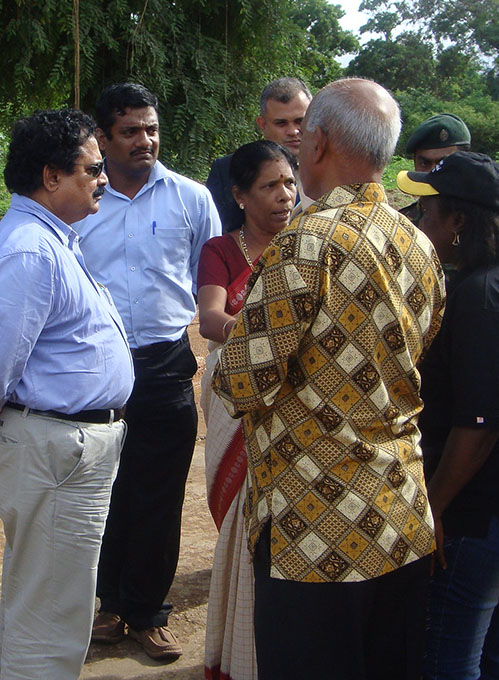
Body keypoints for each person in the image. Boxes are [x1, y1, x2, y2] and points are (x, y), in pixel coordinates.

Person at [214, 78, 446, 680]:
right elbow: (420, 347)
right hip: (398, 512)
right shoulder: (416, 240)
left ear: (316, 144)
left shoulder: (306, 244)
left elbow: (240, 380)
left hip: (314, 529)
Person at [0, 108, 133, 680]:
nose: (103, 180)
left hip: (64, 446)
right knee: (50, 612)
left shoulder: (51, 241)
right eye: (92, 169)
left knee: (54, 597)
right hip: (55, 449)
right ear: (51, 176)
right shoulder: (31, 250)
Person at [75, 82, 221, 661]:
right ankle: (108, 607)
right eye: (131, 131)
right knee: (104, 490)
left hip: (164, 364)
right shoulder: (82, 200)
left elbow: (205, 273)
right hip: (96, 366)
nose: (145, 140)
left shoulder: (191, 198)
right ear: (104, 139)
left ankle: (149, 613)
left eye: (152, 128)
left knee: (159, 495)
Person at [397, 152, 499, 680]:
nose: (419, 220)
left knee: (448, 655)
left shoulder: (481, 296)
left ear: (458, 221)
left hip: (484, 507)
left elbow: (480, 423)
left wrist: (434, 507)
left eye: (427, 208)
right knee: (493, 650)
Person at [196, 140, 297, 680]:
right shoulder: (221, 250)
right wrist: (272, 339)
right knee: (239, 516)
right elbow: (211, 319)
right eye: (269, 186)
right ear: (239, 195)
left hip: (292, 400)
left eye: (289, 183)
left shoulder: (309, 242)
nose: (285, 196)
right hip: (234, 393)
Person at [404, 112, 499, 336]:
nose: (433, 172)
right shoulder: (402, 223)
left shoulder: (496, 231)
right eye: (424, 163)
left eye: (443, 162)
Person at [206, 78, 312, 231]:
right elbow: (216, 232)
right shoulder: (227, 170)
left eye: (299, 121)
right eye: (281, 123)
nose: (293, 131)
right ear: (262, 125)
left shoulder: (332, 171)